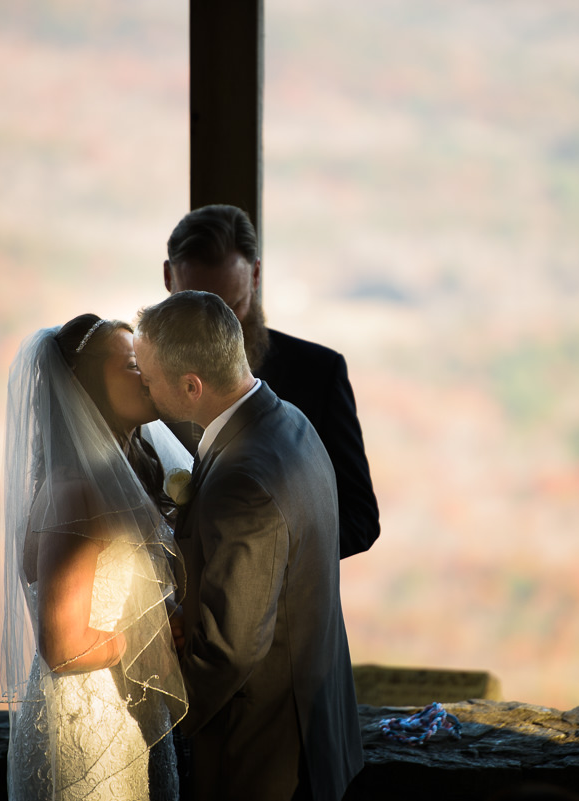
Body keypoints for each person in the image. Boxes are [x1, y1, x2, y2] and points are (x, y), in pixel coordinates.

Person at [135, 291, 363, 801]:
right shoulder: (291, 421)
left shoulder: (244, 484)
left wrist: (153, 716)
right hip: (319, 723)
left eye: (149, 381)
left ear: (192, 386)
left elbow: (229, 652)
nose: (145, 392)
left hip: (266, 753)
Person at [0, 314, 193, 801]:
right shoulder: (75, 491)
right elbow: (64, 648)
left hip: (122, 710)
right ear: (86, 388)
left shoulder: (115, 474)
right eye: (132, 365)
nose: (148, 374)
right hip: (88, 726)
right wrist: (152, 639)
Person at [162, 204, 380, 559]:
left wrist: (261, 558)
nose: (218, 330)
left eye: (233, 307)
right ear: (170, 278)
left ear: (256, 276)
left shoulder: (318, 373)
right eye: (196, 309)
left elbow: (360, 520)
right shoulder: (139, 377)